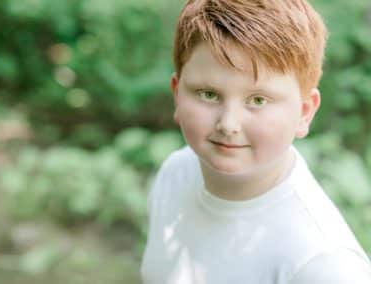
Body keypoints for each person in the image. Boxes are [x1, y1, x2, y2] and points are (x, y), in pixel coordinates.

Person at [140, 0, 371, 283]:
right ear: (177, 95)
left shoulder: (323, 265)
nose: (228, 124)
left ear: (304, 111)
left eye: (258, 100)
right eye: (208, 94)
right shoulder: (175, 173)